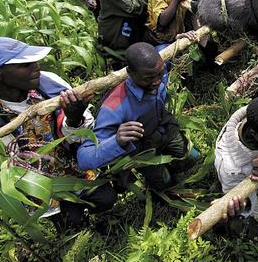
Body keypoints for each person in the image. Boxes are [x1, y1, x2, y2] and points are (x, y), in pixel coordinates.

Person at [0, 37, 116, 231]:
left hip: (71, 166)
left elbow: (83, 136)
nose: (37, 67)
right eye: (25, 64)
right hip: (34, 184)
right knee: (71, 225)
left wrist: (74, 119)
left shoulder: (50, 84)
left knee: (106, 198)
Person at [77, 42, 199, 190]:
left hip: (164, 129)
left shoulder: (156, 67)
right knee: (165, 183)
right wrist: (116, 141)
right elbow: (84, 158)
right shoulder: (114, 107)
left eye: (160, 74)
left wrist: (180, 39)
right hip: (143, 149)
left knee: (193, 157)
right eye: (148, 78)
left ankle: (172, 165)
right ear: (130, 72)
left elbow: (167, 48)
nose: (157, 81)